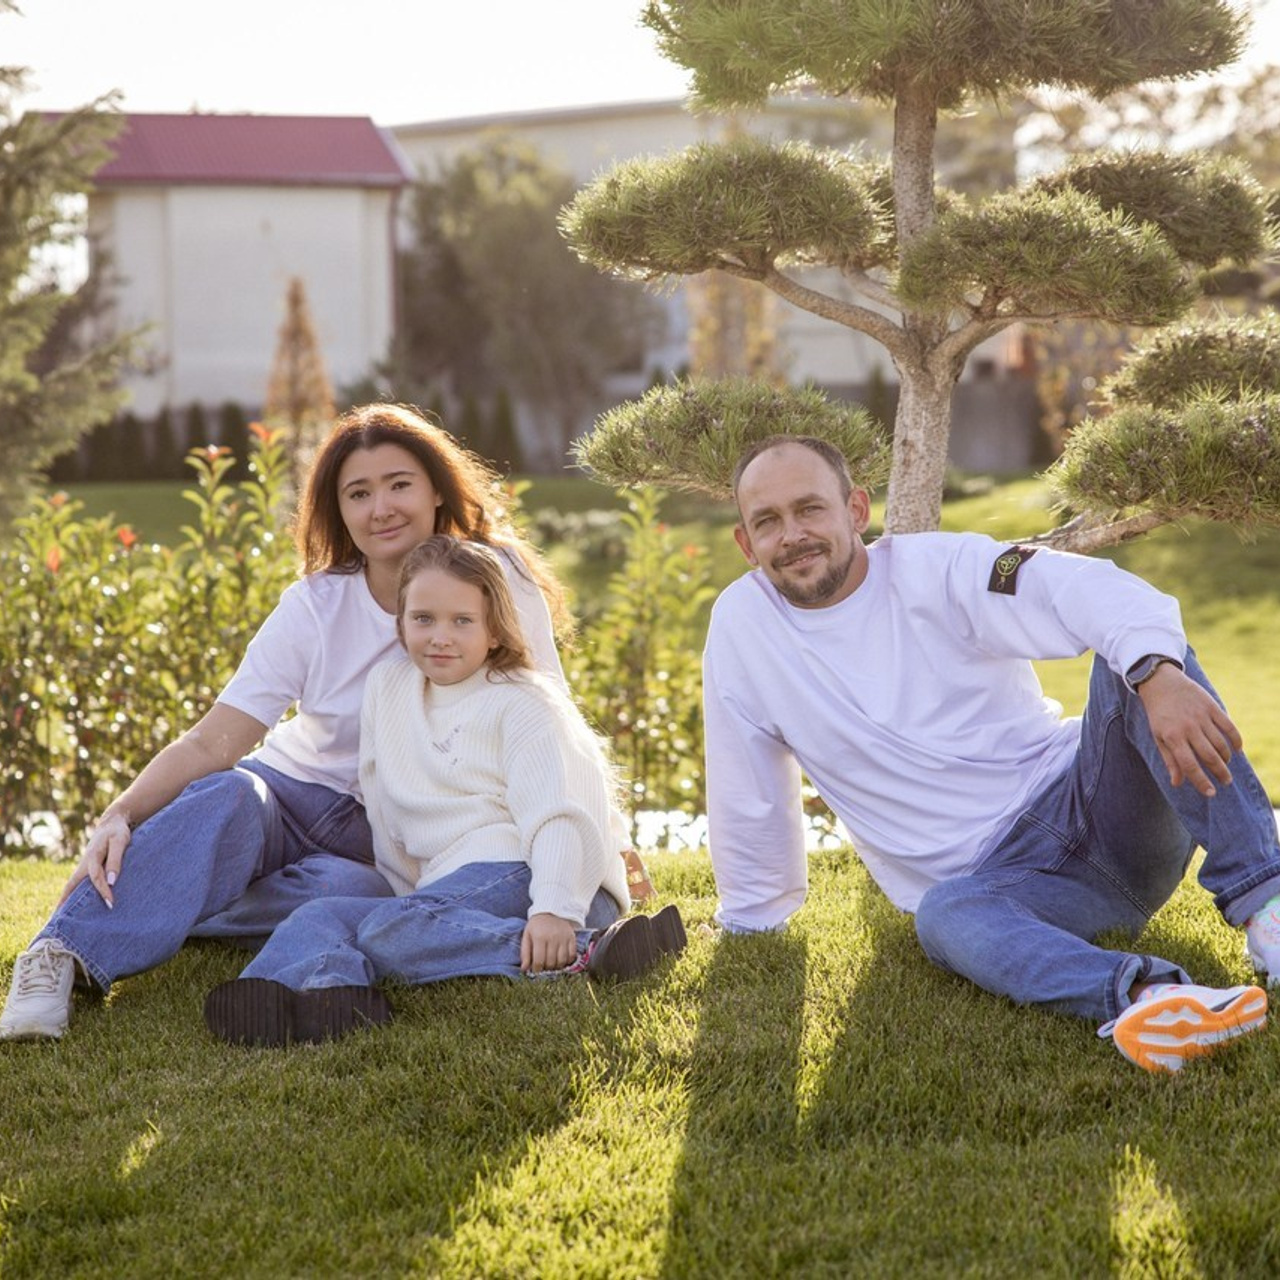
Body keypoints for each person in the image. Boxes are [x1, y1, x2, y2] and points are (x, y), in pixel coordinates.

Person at [0, 403, 594, 1042]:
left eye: (399, 484)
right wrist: (120, 815)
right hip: (284, 799)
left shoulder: (497, 578)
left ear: (435, 490)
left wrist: (604, 841)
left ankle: (176, 898)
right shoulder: (315, 604)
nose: (381, 509)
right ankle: (59, 955)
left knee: (351, 899)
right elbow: (214, 739)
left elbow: (550, 717)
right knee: (228, 794)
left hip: (381, 834)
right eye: (358, 493)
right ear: (338, 511)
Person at [702, 433, 1280, 1073]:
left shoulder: (943, 570)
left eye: (810, 509)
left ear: (856, 510)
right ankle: (1155, 998)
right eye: (768, 521)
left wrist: (1158, 674)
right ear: (745, 542)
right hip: (1008, 891)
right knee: (943, 914)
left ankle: (1269, 912)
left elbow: (1083, 589)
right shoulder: (742, 629)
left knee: (1139, 659)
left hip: (1100, 806)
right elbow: (744, 785)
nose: (792, 535)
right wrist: (754, 918)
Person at [203, 536, 687, 1047]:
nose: (440, 637)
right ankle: (324, 995)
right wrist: (405, 894)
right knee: (323, 915)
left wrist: (555, 911)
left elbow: (561, 814)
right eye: (423, 619)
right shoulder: (388, 690)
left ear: (495, 630)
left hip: (542, 873)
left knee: (391, 931)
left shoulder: (522, 701)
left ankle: (592, 950)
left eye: (462, 621)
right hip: (448, 889)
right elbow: (387, 810)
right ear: (401, 623)